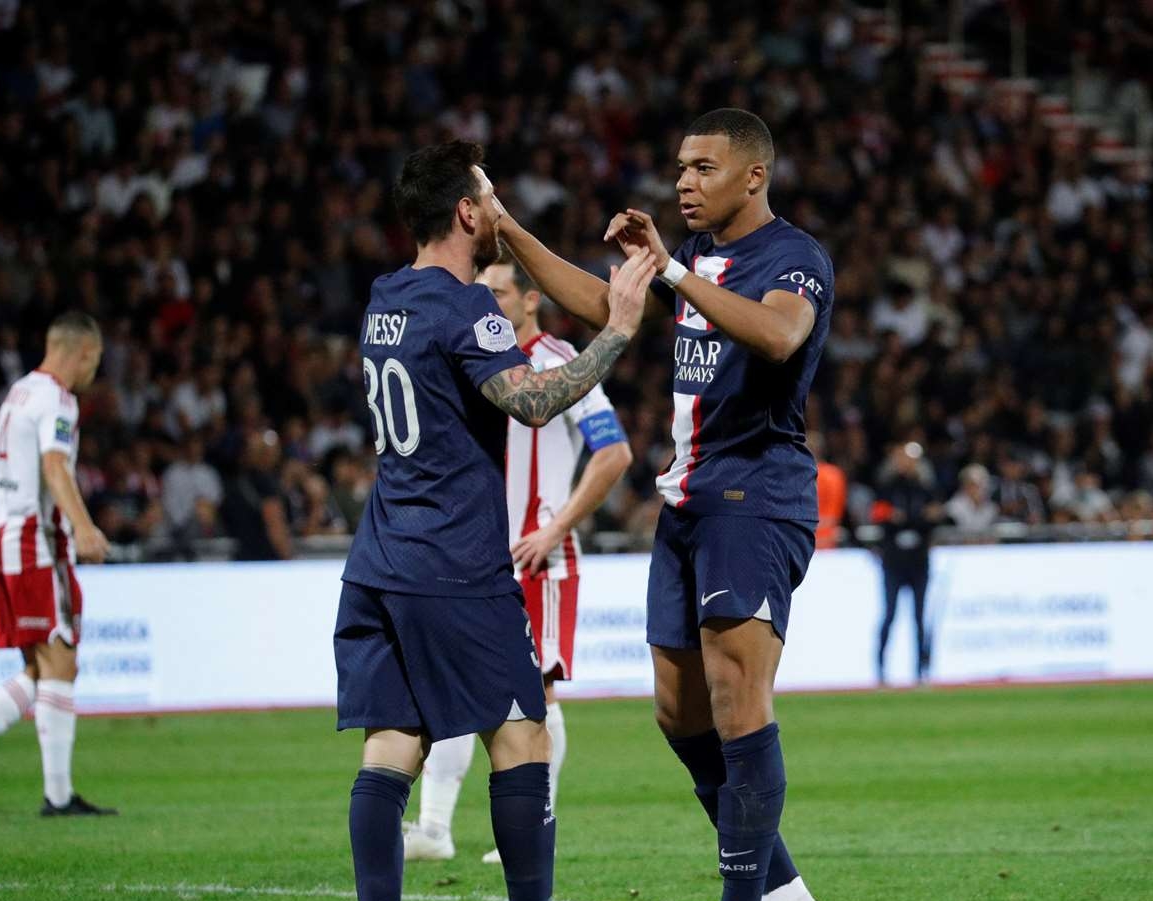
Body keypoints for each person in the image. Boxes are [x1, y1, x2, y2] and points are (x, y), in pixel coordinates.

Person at [497, 108, 828, 901]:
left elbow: (780, 337)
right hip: (685, 503)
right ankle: (782, 889)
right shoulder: (692, 255)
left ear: (754, 176)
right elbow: (602, 303)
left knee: (736, 699)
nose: (683, 180)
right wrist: (507, 228)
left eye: (704, 167)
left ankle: (746, 893)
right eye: (681, 166)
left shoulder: (794, 258)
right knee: (679, 713)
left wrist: (675, 274)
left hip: (756, 494)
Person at [332, 140, 649, 901]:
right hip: (454, 559)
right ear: (468, 210)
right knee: (521, 731)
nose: (499, 207)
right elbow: (531, 400)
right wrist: (620, 330)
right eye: (489, 196)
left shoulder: (384, 297)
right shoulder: (467, 305)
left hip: (378, 557)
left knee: (392, 744)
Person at [403, 253, 633, 864]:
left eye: (499, 294)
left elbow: (614, 454)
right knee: (452, 690)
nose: (487, 304)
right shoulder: (476, 359)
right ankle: (433, 829)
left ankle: (532, 830)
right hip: (474, 555)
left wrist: (554, 528)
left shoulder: (559, 363)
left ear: (532, 300)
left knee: (538, 694)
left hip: (539, 559)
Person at [0, 312, 115, 819]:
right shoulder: (58, 399)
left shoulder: (18, 393)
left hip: (4, 537)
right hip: (33, 540)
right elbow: (54, 466)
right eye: (95, 360)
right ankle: (56, 796)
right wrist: (83, 527)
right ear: (82, 351)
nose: (93, 371)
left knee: (42, 668)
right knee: (60, 660)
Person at [872, 442, 945, 685]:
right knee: (890, 614)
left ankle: (922, 670)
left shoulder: (926, 488)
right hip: (894, 562)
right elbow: (882, 517)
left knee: (920, 617)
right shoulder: (888, 487)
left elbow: (934, 518)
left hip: (918, 562)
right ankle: (880, 669)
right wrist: (916, 519)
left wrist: (905, 519)